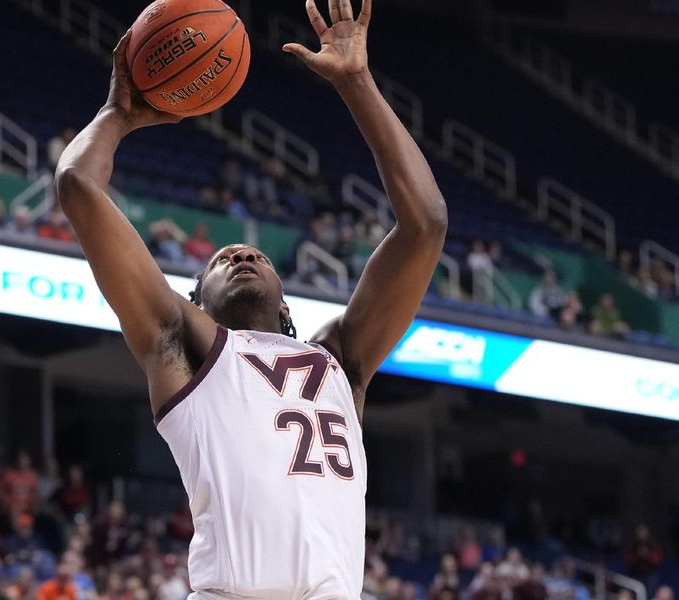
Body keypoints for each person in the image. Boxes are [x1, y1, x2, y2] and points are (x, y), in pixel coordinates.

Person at [55, 0, 448, 596]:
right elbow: (78, 184)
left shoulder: (340, 360)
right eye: (220, 260)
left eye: (255, 256)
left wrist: (357, 83)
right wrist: (117, 114)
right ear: (198, 302)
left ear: (288, 310)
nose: (240, 256)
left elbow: (426, 226)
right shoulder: (183, 347)